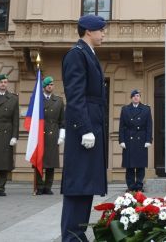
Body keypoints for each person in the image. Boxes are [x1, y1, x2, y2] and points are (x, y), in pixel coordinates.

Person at [60, 15, 108, 242]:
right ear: (89, 30)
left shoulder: (88, 54)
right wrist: (84, 128)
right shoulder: (76, 55)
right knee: (78, 183)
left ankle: (77, 233)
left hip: (91, 127)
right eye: (101, 30)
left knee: (86, 183)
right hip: (84, 130)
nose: (103, 33)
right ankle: (71, 236)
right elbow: (75, 96)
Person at [36, 75, 65, 195]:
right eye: (48, 84)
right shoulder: (37, 99)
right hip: (40, 134)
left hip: (53, 133)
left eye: (52, 84)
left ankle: (48, 186)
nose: (50, 86)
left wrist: (62, 134)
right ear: (43, 87)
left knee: (51, 163)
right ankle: (39, 186)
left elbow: (62, 120)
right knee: (39, 162)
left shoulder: (58, 100)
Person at [119, 89, 152, 192]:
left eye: (137, 96)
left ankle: (139, 186)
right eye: (134, 96)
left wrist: (148, 140)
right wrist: (121, 140)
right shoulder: (125, 109)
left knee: (140, 165)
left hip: (141, 140)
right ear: (131, 98)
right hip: (129, 140)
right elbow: (122, 126)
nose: (136, 97)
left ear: (140, 97)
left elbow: (149, 126)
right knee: (129, 166)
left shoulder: (146, 109)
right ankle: (130, 186)